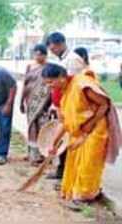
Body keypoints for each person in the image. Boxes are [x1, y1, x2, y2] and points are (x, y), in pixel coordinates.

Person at [42, 63, 122, 210]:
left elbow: (104, 104)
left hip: (96, 130)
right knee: (75, 163)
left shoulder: (81, 84)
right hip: (78, 133)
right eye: (46, 83)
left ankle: (85, 196)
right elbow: (65, 123)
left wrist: (89, 127)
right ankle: (81, 192)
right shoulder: (65, 92)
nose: (49, 86)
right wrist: (54, 143)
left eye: (50, 82)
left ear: (61, 77)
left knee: (89, 164)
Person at [46, 32, 88, 181]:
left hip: (74, 107)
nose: (52, 51)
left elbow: (74, 86)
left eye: (53, 48)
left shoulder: (73, 60)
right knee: (63, 137)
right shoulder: (61, 59)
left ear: (61, 43)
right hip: (63, 105)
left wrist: (62, 106)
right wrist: (55, 104)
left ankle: (69, 174)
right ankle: (62, 171)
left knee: (71, 139)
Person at [20, 44, 51, 166]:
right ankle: (33, 154)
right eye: (36, 54)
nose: (38, 56)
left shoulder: (49, 67)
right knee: (32, 127)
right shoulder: (30, 66)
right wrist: (21, 101)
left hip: (44, 102)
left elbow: (50, 86)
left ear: (45, 55)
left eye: (40, 54)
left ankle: (44, 155)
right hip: (30, 102)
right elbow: (25, 84)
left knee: (43, 128)